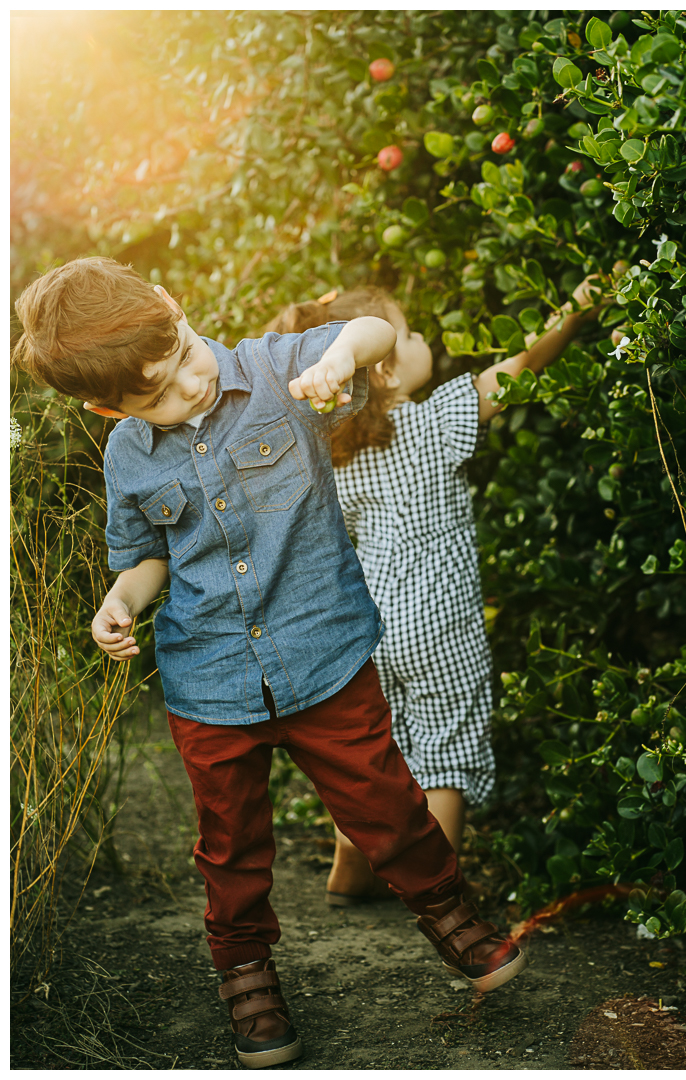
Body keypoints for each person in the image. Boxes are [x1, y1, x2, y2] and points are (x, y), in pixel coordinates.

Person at [14, 256, 528, 1070]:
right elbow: (147, 556)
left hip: (324, 655)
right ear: (108, 407)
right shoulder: (127, 457)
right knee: (231, 846)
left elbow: (376, 331)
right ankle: (247, 974)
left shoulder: (271, 367)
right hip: (209, 680)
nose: (187, 383)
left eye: (182, 353)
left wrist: (339, 358)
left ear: (171, 303)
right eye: (156, 390)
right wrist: (122, 601)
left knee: (386, 803)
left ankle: (449, 911)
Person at [267, 277, 604, 905]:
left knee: (379, 759)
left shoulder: (332, 454)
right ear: (387, 370)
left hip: (369, 629)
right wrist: (575, 312)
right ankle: (439, 896)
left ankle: (352, 874)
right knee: (446, 754)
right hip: (440, 624)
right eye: (411, 330)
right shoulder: (435, 421)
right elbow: (521, 365)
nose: (423, 338)